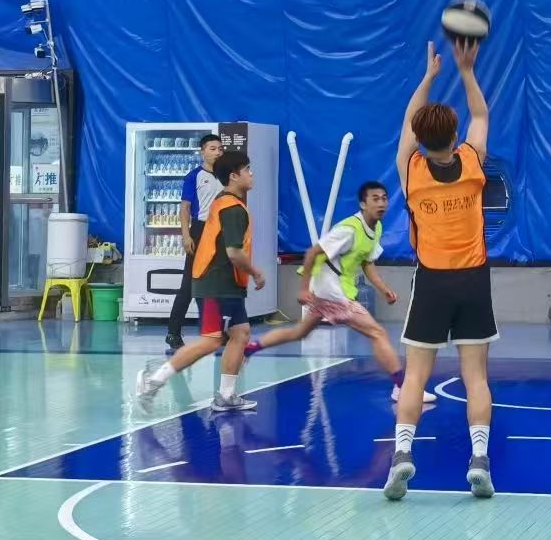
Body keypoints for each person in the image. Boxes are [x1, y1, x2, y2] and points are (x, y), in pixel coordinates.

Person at [384, 39, 497, 502]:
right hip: (473, 280)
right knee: (476, 377)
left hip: (431, 280)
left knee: (415, 376)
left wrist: (428, 77)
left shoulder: (411, 170)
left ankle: (402, 456)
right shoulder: (472, 162)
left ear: (421, 139)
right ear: (454, 137)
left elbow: (409, 122)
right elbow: (481, 115)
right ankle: (479, 461)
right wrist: (465, 71)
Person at [243, 181, 436, 404]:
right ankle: (402, 388)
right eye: (375, 199)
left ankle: (252, 347)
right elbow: (313, 252)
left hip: (328, 290)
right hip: (330, 289)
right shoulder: (348, 229)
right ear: (363, 204)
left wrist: (384, 290)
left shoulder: (376, 228)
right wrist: (303, 288)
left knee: (299, 332)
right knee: (377, 333)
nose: (381, 203)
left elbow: (367, 263)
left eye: (384, 198)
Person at [135, 151, 268, 413]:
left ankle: (226, 396)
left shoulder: (226, 202)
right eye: (247, 169)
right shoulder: (232, 209)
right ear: (234, 176)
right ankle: (153, 381)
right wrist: (256, 273)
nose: (252, 174)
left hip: (227, 284)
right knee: (212, 340)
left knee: (240, 333)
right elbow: (234, 252)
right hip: (216, 284)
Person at [165, 134, 224, 351]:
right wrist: (186, 235)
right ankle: (173, 332)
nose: (217, 152)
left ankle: (217, 331)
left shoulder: (228, 176)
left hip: (222, 231)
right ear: (202, 151)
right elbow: (185, 209)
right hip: (200, 231)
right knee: (189, 284)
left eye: (220, 149)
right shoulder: (194, 177)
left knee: (220, 284)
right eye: (212, 148)